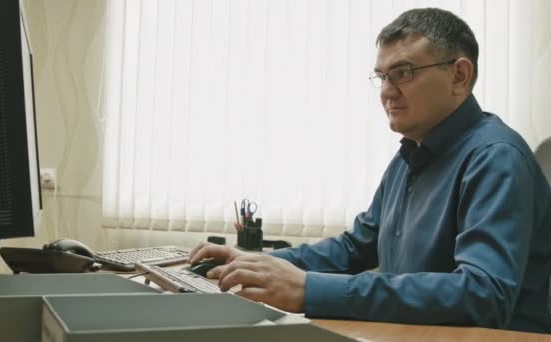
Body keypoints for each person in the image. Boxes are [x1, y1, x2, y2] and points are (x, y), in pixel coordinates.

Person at [189, 8, 551, 333]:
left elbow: (482, 295)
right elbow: (355, 248)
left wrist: (309, 289)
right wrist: (259, 262)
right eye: (382, 76)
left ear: (459, 75)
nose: (387, 92)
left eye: (404, 73)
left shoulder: (495, 158)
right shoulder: (409, 156)